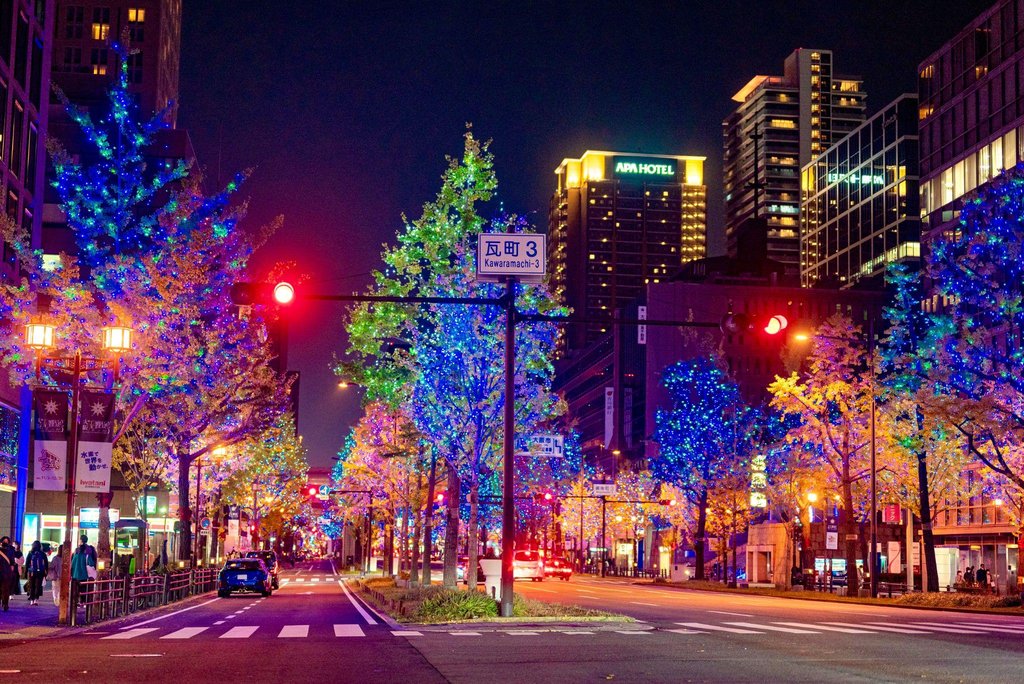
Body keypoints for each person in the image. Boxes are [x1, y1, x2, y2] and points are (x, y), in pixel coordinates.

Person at [25, 541, 48, 606]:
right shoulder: (43, 554)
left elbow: (27, 563)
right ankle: (36, 599)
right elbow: (46, 564)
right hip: (40, 572)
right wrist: (45, 572)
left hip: (32, 572)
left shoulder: (30, 553)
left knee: (32, 586)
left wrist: (26, 571)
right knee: (38, 586)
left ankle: (31, 600)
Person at [0, 536, 15, 611]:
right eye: (4, 541)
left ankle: (5, 604)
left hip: (6, 573)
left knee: (5, 589)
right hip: (2, 572)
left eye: (7, 541)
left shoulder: (11, 551)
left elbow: (12, 562)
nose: (5, 542)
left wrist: (12, 568)